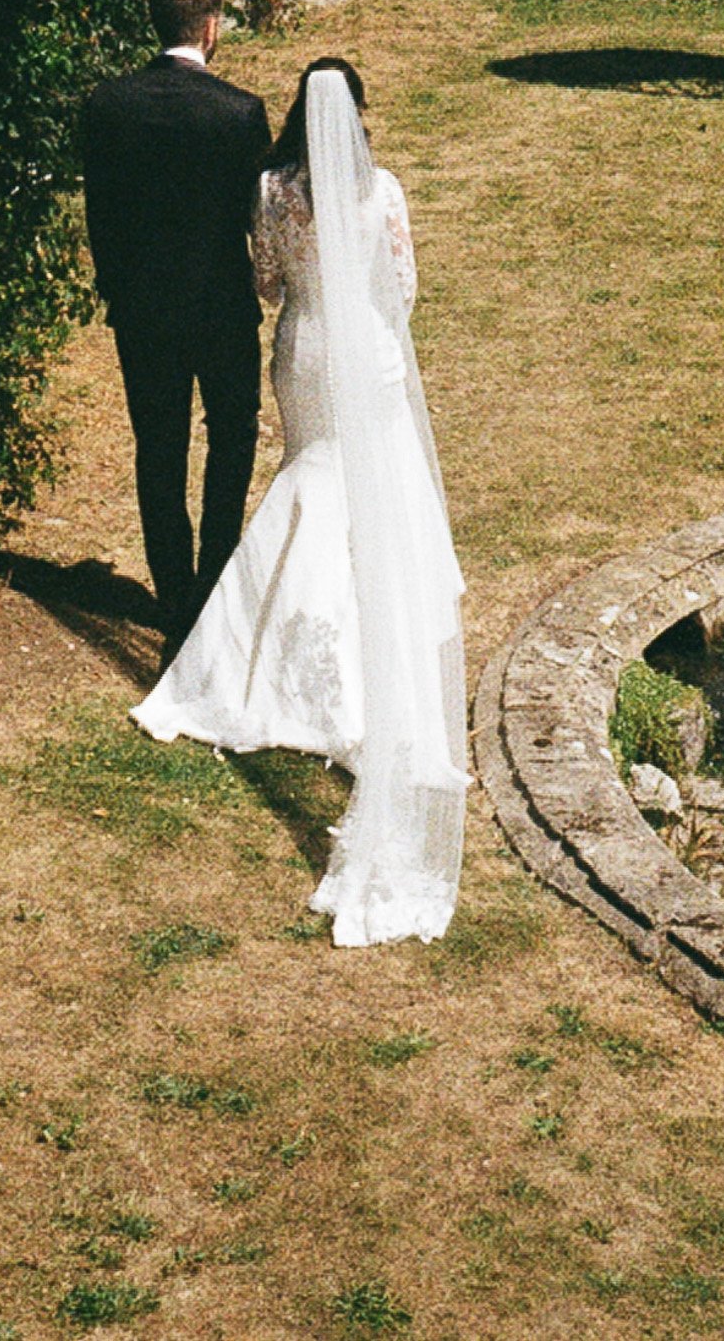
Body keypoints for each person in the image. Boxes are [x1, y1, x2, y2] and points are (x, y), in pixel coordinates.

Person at [135, 61, 467, 947]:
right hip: (369, 351)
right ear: (356, 117)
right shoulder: (383, 188)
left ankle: (264, 651)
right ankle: (368, 649)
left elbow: (270, 287)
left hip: (306, 351)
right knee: (372, 491)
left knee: (310, 479)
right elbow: (405, 289)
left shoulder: (274, 190)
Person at [80, 0, 271, 662]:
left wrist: (119, 289)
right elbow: (257, 218)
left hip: (143, 311)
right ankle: (214, 582)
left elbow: (100, 213)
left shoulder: (108, 104)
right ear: (211, 26)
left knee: (158, 447)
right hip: (220, 306)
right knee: (232, 437)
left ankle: (173, 589)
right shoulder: (240, 112)